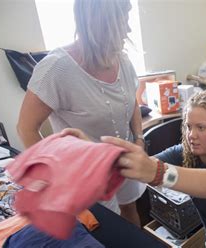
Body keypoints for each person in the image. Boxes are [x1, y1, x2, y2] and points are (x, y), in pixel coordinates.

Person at [63, 91, 206, 247]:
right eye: (189, 126)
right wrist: (91, 151)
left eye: (201, 127)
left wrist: (159, 172)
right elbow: (135, 165)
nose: (192, 135)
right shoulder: (183, 153)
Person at [16, 0, 145, 226]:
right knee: (108, 228)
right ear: (101, 22)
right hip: (88, 174)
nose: (129, 29)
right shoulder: (56, 68)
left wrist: (139, 139)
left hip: (124, 161)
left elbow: (132, 101)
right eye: (123, 20)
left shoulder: (122, 59)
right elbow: (26, 128)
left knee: (130, 212)